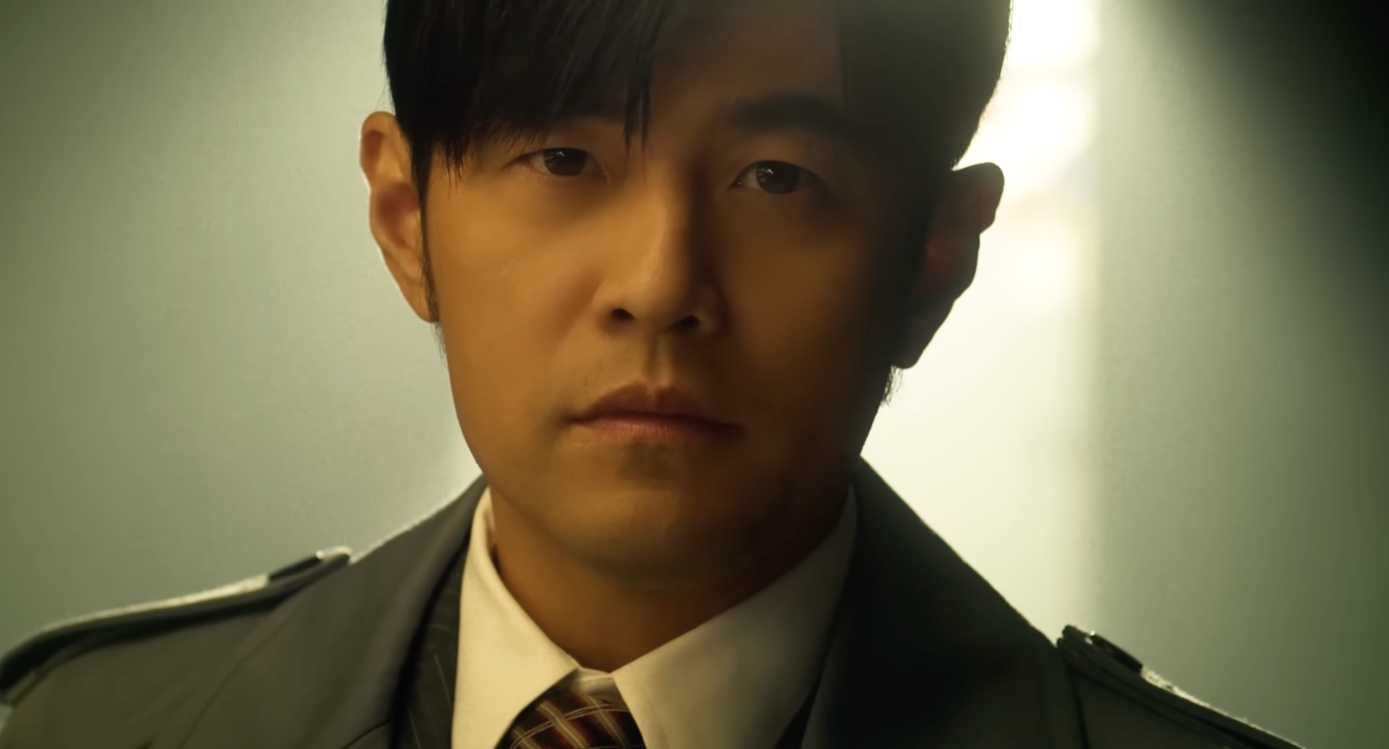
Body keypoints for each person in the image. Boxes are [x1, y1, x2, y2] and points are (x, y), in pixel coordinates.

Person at [0, 1, 1305, 747]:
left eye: (777, 178)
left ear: (934, 257)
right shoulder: (86, 730)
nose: (660, 282)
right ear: (405, 219)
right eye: (563, 160)